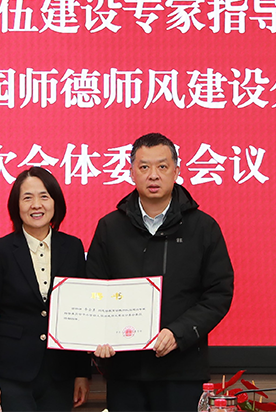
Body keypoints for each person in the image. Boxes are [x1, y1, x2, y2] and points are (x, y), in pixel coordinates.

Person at [87, 132, 234, 412]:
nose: (153, 175)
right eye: (144, 167)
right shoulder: (110, 227)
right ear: (132, 173)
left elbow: (218, 294)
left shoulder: (203, 227)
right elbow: (93, 289)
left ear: (176, 172)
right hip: (125, 372)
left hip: (182, 370)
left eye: (162, 166)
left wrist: (179, 333)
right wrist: (98, 335)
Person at [0, 167, 91, 412]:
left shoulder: (72, 247)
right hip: (12, 372)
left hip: (59, 372)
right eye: (27, 198)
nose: (36, 205)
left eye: (44, 196)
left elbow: (80, 314)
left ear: (55, 202)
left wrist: (82, 372)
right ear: (16, 206)